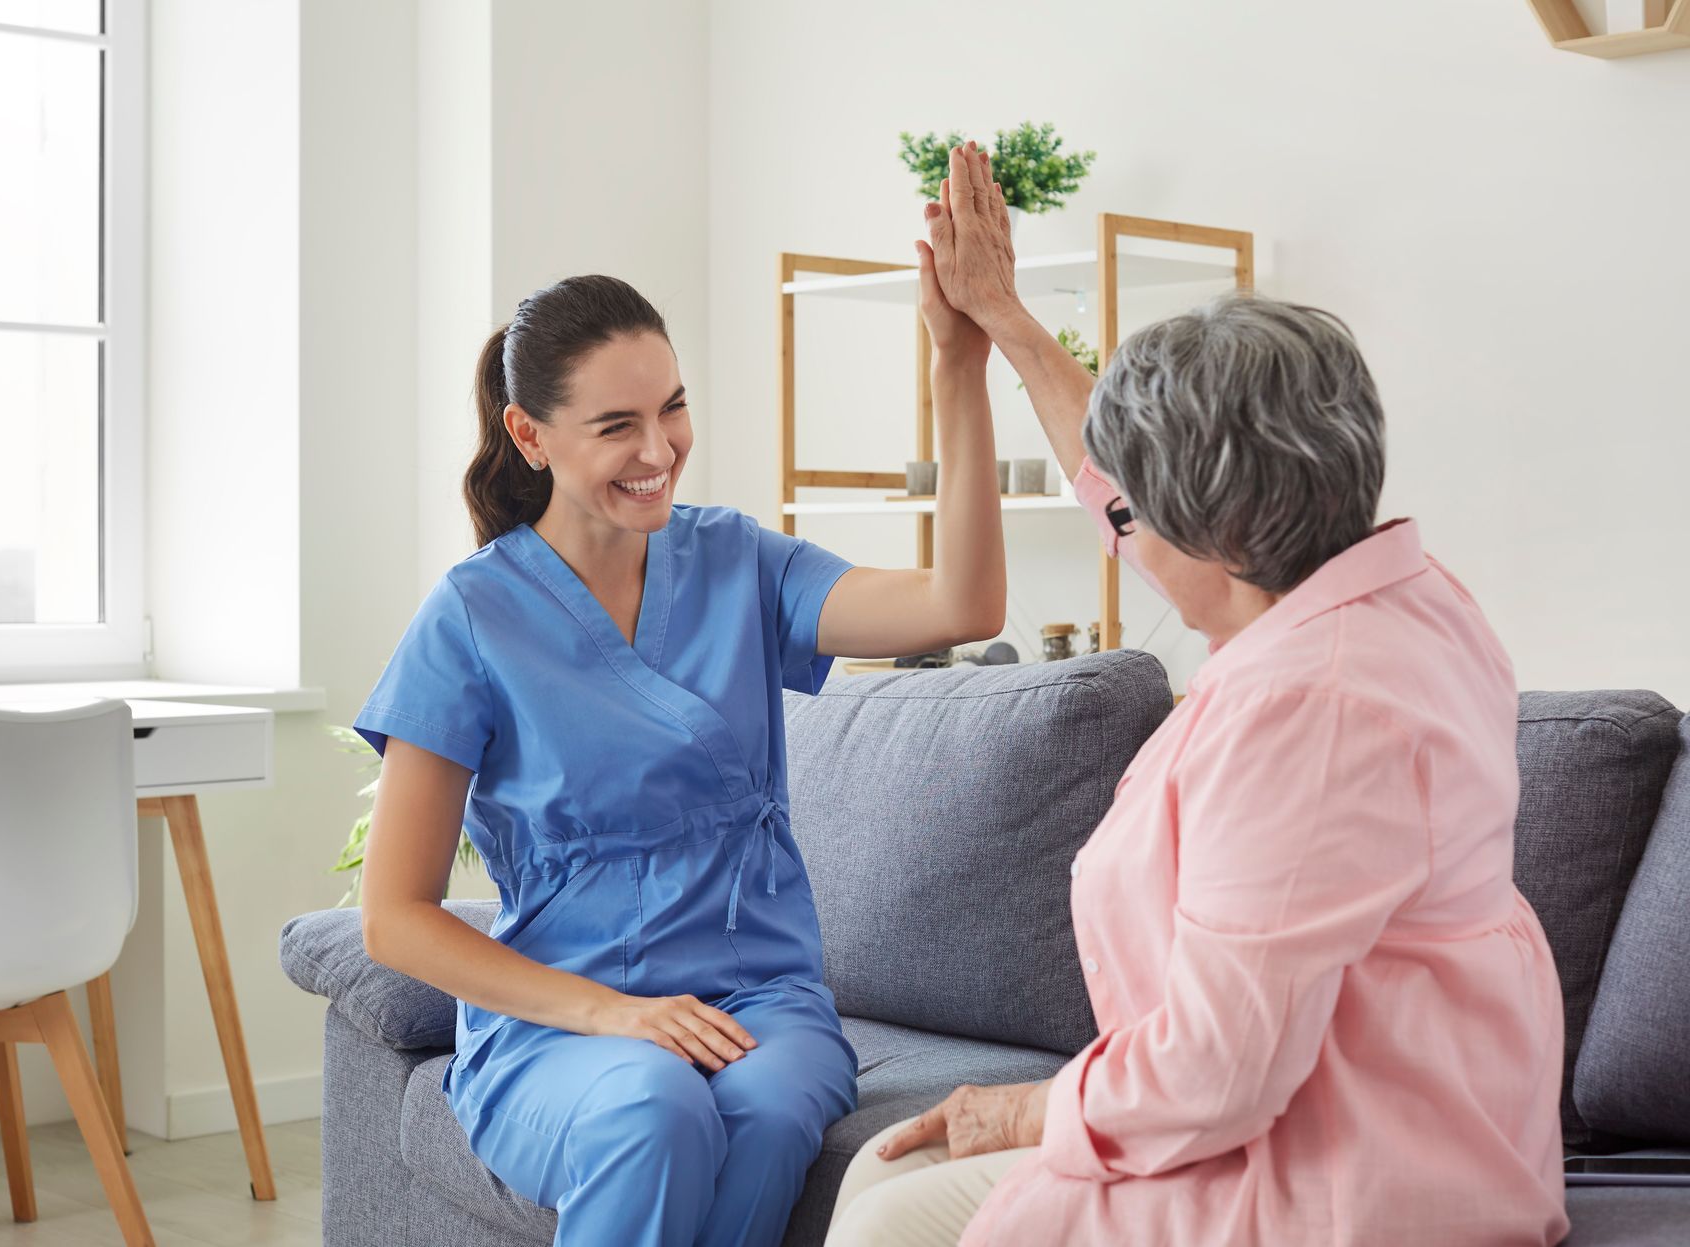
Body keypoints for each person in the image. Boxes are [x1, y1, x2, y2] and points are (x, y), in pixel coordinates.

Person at [825, 142, 1569, 1247]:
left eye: (1132, 521)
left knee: (893, 1210)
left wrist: (1025, 1106)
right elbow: (1151, 483)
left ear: (1217, 537)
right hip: (1388, 1115)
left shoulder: (1308, 711)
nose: (1115, 530)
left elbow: (1217, 1071)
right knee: (886, 1185)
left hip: (1338, 1177)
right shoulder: (1394, 589)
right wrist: (1007, 321)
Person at [354, 261, 1005, 1247]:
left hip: (761, 998)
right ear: (530, 434)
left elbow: (963, 605)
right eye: (617, 425)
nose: (659, 448)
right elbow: (395, 919)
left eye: (674, 409)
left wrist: (958, 365)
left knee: (770, 1106)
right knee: (652, 1105)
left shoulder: (742, 563)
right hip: (561, 1022)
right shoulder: (471, 617)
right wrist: (614, 1014)